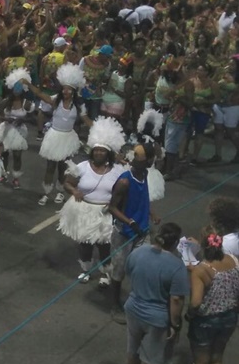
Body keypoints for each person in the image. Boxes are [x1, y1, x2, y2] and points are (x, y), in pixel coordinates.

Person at [123, 223, 187, 364]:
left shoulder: (138, 252)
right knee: (151, 356)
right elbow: (176, 300)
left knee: (133, 346)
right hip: (157, 318)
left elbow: (129, 271)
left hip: (133, 307)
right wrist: (175, 325)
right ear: (175, 242)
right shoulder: (176, 266)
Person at [177, 228, 239, 364]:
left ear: (203, 247)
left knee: (202, 361)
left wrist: (189, 314)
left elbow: (196, 302)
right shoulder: (235, 261)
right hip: (229, 317)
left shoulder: (201, 270)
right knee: (216, 358)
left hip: (206, 320)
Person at [58, 117, 125, 284]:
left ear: (108, 153)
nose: (99, 153)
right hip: (85, 210)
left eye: (102, 151)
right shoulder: (82, 167)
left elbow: (124, 191)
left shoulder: (117, 171)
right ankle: (86, 270)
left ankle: (105, 273)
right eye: (96, 150)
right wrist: (74, 191)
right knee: (85, 243)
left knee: (104, 245)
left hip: (106, 213)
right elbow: (66, 182)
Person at [25, 65, 93, 205]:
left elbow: (87, 121)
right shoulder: (56, 100)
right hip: (54, 136)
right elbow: (40, 94)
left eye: (68, 89)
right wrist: (28, 83)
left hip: (68, 138)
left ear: (74, 91)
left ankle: (61, 192)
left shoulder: (79, 105)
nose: (65, 91)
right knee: (50, 166)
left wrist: (101, 130)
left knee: (63, 167)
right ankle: (46, 193)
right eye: (64, 88)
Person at [108, 143, 160, 324]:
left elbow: (142, 197)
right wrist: (130, 221)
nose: (135, 164)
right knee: (119, 270)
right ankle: (114, 305)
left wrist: (150, 213)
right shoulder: (124, 181)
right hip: (124, 233)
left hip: (142, 231)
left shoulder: (144, 174)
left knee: (143, 267)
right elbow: (112, 208)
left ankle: (137, 303)